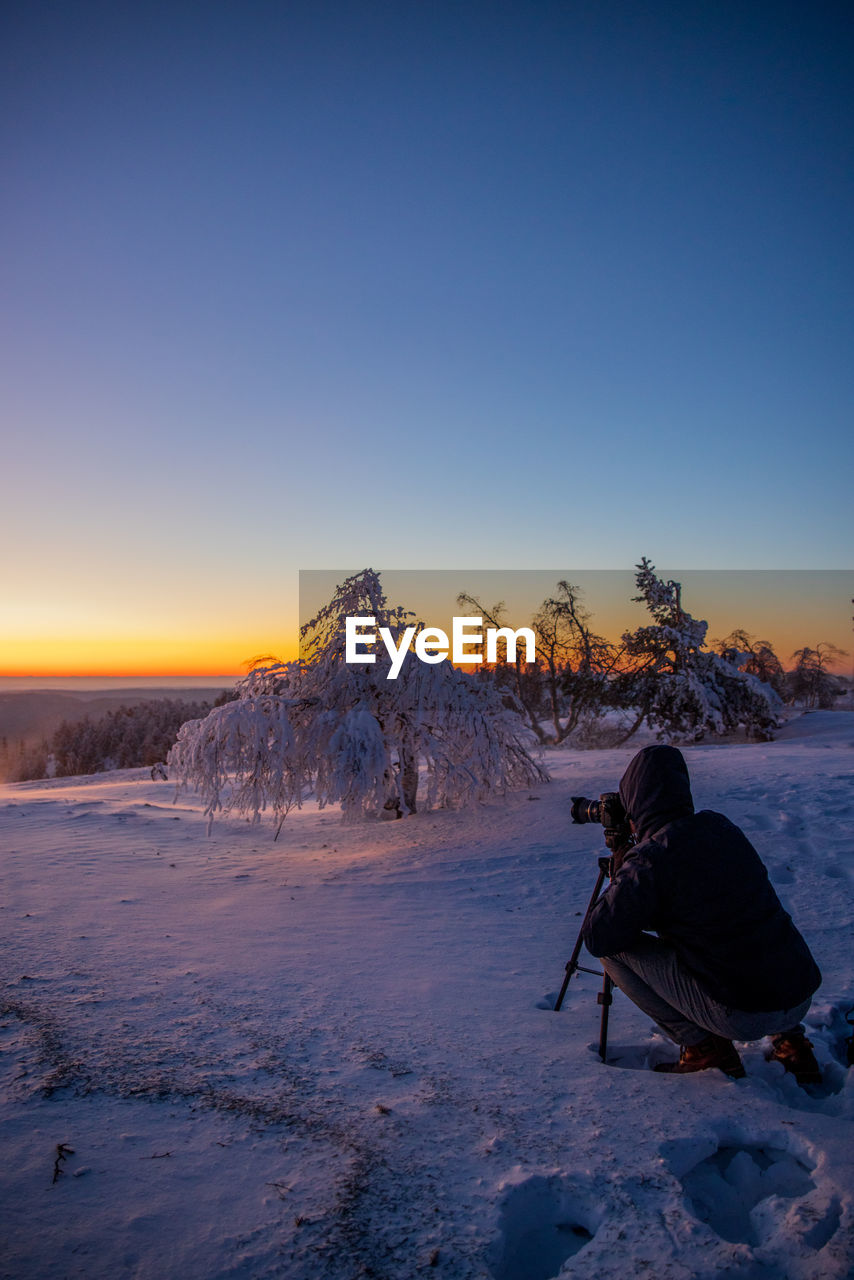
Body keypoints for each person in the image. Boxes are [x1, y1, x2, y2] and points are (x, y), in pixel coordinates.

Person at [582, 744, 822, 1082]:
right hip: (799, 995)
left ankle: (704, 1048)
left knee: (613, 950)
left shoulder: (651, 858)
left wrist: (624, 870)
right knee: (741, 926)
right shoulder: (720, 828)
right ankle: (792, 1044)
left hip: (742, 1015)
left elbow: (598, 936)